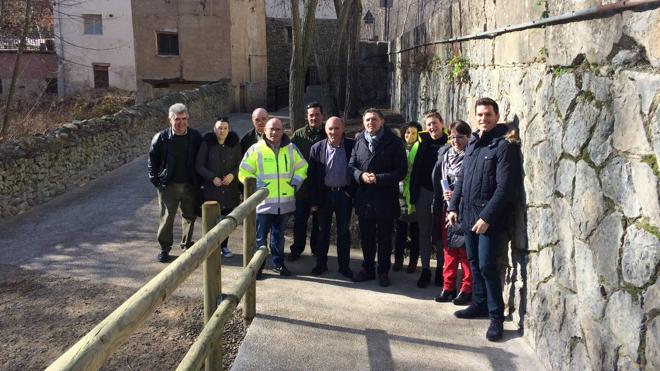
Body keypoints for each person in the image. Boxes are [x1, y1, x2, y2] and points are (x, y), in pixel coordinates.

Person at [448, 98, 521, 341]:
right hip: (467, 217)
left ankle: (495, 318)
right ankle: (478, 304)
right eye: (479, 115)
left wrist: (487, 217)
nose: (483, 118)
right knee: (474, 262)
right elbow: (461, 179)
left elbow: (505, 188)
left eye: (488, 114)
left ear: (497, 116)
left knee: (488, 267)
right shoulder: (473, 144)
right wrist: (452, 206)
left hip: (487, 220)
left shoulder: (503, 146)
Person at [238, 118, 308, 277]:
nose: (274, 132)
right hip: (262, 203)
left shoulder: (291, 148)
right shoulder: (255, 149)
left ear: (283, 131)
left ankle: (278, 264)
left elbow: (302, 167)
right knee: (260, 238)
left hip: (284, 203)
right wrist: (257, 189)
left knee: (278, 237)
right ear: (264, 131)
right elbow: (244, 173)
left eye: (278, 129)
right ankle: (258, 266)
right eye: (271, 129)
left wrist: (295, 183)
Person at [349, 108, 407, 287]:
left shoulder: (394, 142)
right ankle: (367, 268)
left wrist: (379, 179)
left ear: (382, 121)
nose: (370, 123)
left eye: (374, 119)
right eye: (367, 120)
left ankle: (383, 271)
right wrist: (360, 176)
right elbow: (351, 166)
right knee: (366, 237)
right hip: (365, 199)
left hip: (385, 200)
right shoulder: (359, 141)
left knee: (384, 238)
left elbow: (401, 171)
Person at [148, 103, 202, 263]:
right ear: (170, 120)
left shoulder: (195, 137)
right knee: (167, 217)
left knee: (190, 216)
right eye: (177, 119)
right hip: (168, 186)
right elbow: (152, 161)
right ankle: (164, 248)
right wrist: (156, 181)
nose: (181, 122)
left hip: (189, 184)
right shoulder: (161, 138)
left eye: (184, 119)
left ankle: (187, 245)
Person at [308, 116, 355, 278]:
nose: (333, 132)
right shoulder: (317, 148)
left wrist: (351, 192)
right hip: (324, 195)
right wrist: (313, 201)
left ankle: (344, 266)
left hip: (344, 195)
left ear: (343, 129)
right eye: (330, 128)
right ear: (325, 129)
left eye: (336, 128)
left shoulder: (352, 146)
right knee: (322, 232)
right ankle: (321, 264)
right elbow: (312, 177)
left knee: (343, 232)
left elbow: (357, 169)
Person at [432, 120, 473, 305]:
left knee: (464, 251)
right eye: (453, 137)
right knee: (448, 249)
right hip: (445, 208)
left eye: (460, 137)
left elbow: (473, 183)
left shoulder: (472, 156)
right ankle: (448, 287)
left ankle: (466, 289)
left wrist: (457, 192)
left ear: (468, 137)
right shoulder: (445, 153)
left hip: (463, 210)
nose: (455, 141)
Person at [408, 110, 448, 288]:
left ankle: (440, 269)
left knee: (440, 235)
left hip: (443, 196)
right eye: (429, 124)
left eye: (435, 123)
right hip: (423, 193)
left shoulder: (450, 142)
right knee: (424, 234)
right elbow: (413, 170)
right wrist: (412, 195)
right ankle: (425, 269)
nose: (432, 127)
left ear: (442, 123)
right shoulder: (421, 143)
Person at [195, 117, 242, 258]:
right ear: (214, 130)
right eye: (219, 128)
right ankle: (209, 247)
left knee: (226, 220)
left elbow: (241, 164)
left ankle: (224, 246)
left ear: (229, 129)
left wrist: (233, 175)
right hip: (212, 190)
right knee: (211, 220)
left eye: (225, 128)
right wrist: (212, 177)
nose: (222, 131)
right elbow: (199, 165)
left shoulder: (235, 145)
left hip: (229, 190)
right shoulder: (207, 144)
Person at [288, 102, 326, 261]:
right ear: (307, 117)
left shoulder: (327, 133)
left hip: (321, 187)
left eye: (317, 114)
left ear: (322, 116)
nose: (314, 118)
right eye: (311, 115)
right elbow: (289, 156)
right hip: (302, 187)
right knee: (300, 221)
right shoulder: (298, 134)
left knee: (319, 222)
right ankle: (297, 249)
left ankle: (316, 250)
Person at [393, 122, 421, 274]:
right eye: (407, 133)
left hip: (416, 194)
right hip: (400, 194)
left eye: (413, 133)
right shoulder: (399, 149)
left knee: (416, 231)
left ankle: (413, 261)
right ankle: (398, 259)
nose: (409, 136)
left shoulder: (420, 149)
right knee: (400, 230)